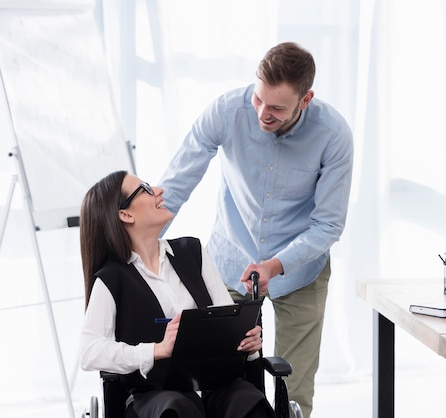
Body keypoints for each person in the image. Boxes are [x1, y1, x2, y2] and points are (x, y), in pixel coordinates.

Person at [159, 41, 354, 417]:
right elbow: (178, 182)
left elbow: (329, 224)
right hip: (231, 262)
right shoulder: (226, 111)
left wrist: (275, 265)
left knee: (293, 388)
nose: (263, 113)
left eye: (277, 108)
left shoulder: (333, 135)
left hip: (301, 271)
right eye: (259, 100)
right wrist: (139, 242)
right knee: (224, 377)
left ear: (306, 99)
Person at [78, 170, 275, 418]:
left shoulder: (193, 252)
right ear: (126, 214)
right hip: (155, 394)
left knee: (249, 403)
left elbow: (227, 318)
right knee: (175, 409)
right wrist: (157, 349)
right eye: (146, 189)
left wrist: (248, 342)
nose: (159, 191)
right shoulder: (112, 279)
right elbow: (89, 352)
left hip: (217, 384)